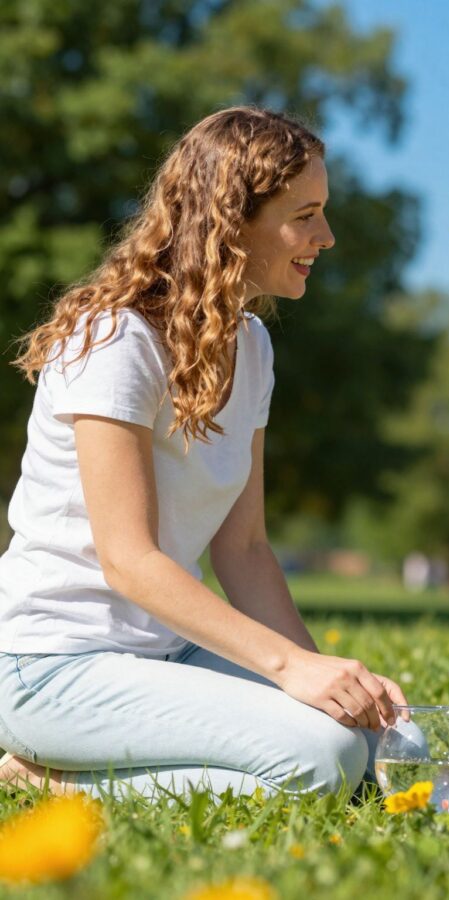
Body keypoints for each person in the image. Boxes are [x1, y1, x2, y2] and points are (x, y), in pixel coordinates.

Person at [0, 107, 407, 799]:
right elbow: (129, 561)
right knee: (321, 763)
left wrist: (324, 672)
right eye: (305, 215)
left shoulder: (252, 347)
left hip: (165, 652)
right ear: (232, 220)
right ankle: (43, 778)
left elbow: (243, 548)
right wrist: (287, 669)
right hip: (50, 663)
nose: (326, 237)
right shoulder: (117, 339)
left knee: (395, 744)